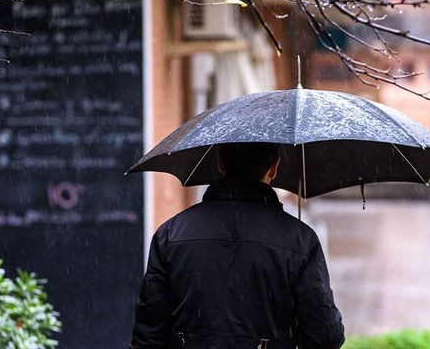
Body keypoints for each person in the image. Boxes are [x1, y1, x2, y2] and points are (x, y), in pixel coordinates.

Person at [129, 142, 345, 349]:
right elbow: (325, 338)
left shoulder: (170, 234)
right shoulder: (300, 240)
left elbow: (148, 336)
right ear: (275, 167)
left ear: (220, 161)